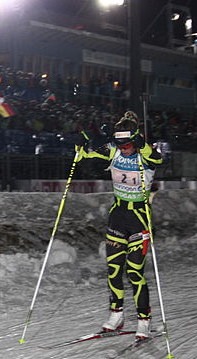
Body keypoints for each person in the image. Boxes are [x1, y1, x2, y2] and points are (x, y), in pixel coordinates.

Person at [73, 110, 163, 339]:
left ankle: (144, 319)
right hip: (118, 215)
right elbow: (85, 158)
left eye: (127, 145)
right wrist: (80, 146)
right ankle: (116, 314)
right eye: (119, 144)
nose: (123, 149)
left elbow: (158, 159)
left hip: (139, 217)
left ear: (135, 140)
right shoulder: (113, 150)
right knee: (113, 271)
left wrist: (142, 146)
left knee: (134, 272)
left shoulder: (146, 153)